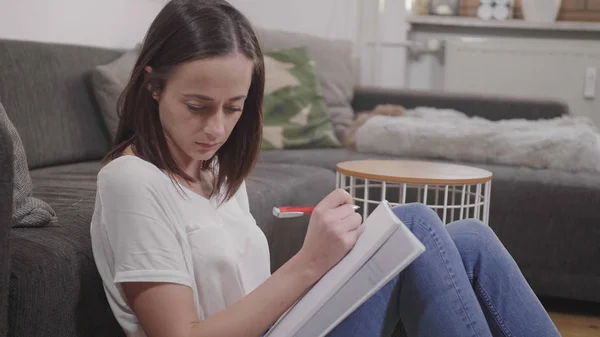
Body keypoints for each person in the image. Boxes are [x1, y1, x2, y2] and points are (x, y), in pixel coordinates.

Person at [89, 1, 562, 336]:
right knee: (414, 221)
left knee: (470, 240)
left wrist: (340, 262)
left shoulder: (213, 171)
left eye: (233, 108)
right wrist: (312, 263)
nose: (216, 128)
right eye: (197, 105)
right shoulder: (131, 181)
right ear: (153, 86)